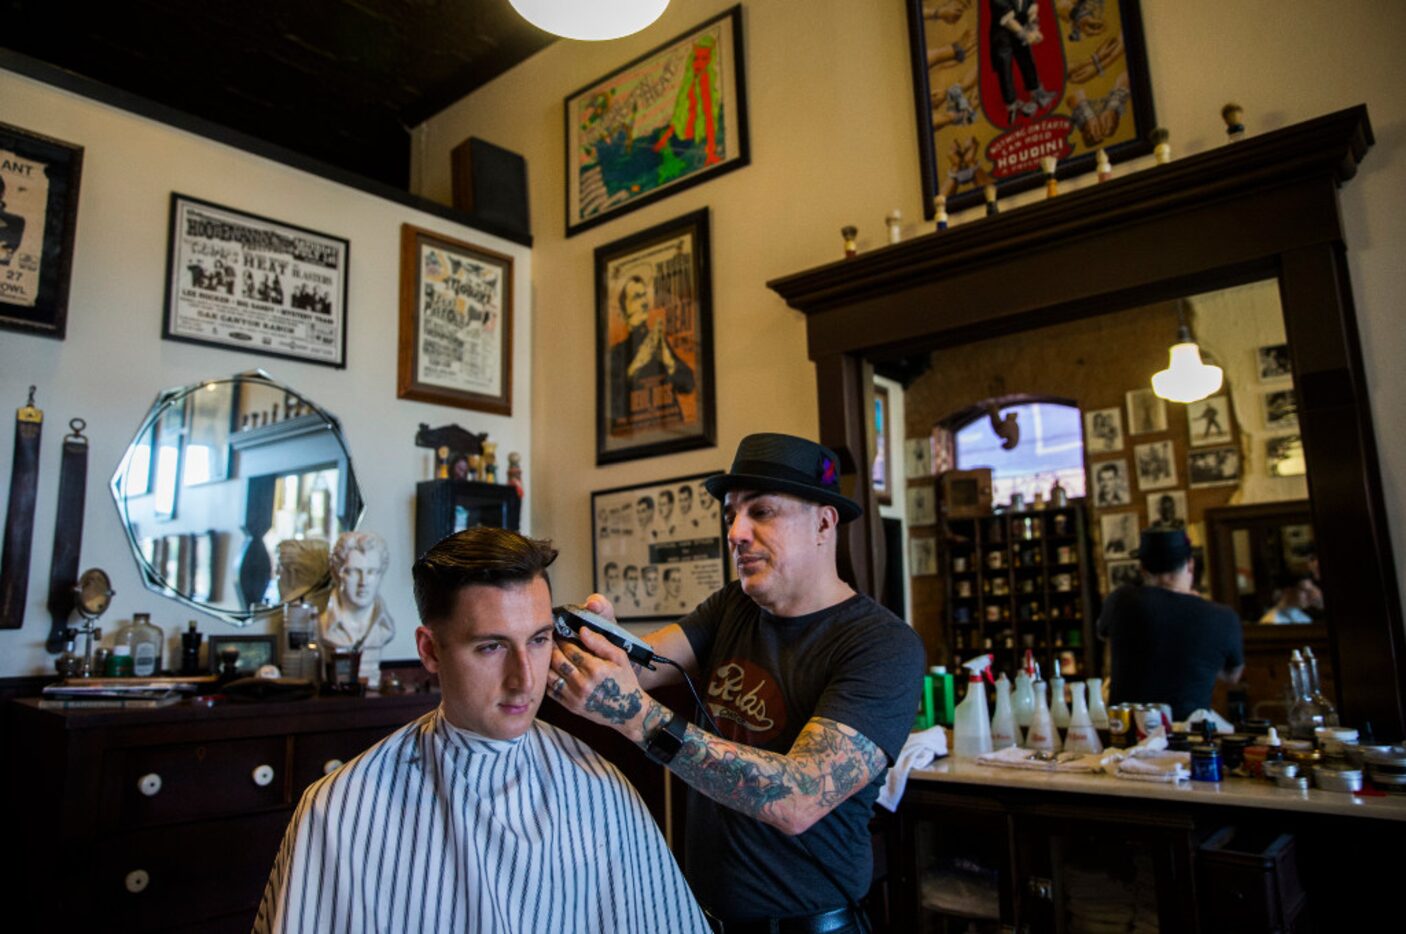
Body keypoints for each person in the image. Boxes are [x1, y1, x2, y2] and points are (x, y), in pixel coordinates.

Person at [549, 433, 925, 931]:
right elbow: (644, 662)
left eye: (762, 512)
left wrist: (640, 720)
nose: (736, 532)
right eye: (730, 516)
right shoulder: (733, 606)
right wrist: (602, 635)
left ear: (824, 522)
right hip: (704, 917)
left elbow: (796, 798)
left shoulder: (882, 645)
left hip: (809, 924)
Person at [255, 527, 707, 934]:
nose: (525, 681)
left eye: (538, 640)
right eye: (491, 647)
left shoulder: (601, 788)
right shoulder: (339, 811)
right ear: (430, 651)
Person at [1097, 528, 1244, 720]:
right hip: (1190, 736)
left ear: (1142, 569)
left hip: (1128, 734)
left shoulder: (1120, 600)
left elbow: (1103, 634)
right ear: (1190, 565)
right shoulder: (1224, 616)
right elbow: (1233, 676)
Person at [607, 274, 695, 429]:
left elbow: (688, 384)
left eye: (643, 297)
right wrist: (636, 365)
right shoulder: (616, 353)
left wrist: (668, 361)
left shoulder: (658, 341)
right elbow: (613, 409)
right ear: (623, 311)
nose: (643, 303)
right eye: (636, 298)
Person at [318, 531, 395, 682]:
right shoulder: (321, 625)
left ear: (381, 574)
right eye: (354, 572)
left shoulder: (385, 628)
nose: (364, 582)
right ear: (336, 573)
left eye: (372, 572)